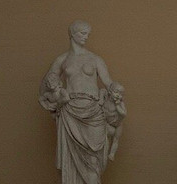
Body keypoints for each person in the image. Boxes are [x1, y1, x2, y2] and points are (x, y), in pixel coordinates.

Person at [39, 21, 126, 184]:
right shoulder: (62, 60)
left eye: (87, 34)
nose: (86, 37)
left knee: (93, 161)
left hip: (93, 111)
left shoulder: (95, 59)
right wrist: (53, 101)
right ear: (72, 34)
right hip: (70, 112)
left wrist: (117, 93)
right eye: (82, 33)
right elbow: (47, 83)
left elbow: (108, 83)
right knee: (69, 161)